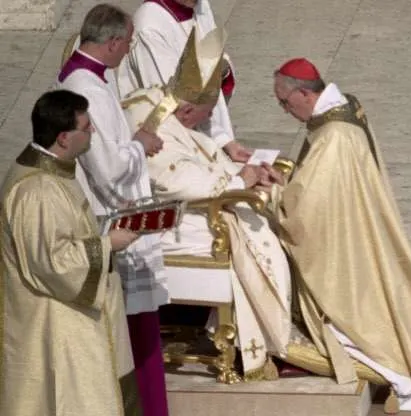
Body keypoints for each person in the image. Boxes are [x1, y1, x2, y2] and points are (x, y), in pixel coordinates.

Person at [263, 58, 411, 412]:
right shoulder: (346, 106)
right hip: (357, 218)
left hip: (347, 237)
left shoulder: (333, 137)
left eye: (284, 102)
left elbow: (305, 211)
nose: (284, 110)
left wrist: (273, 193)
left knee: (363, 314)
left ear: (303, 93)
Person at [121, 28, 291, 379]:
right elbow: (174, 179)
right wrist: (237, 181)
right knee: (249, 229)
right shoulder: (148, 119)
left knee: (256, 212)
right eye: (205, 113)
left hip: (173, 205)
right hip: (153, 218)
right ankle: (257, 341)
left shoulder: (162, 100)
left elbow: (197, 146)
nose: (206, 122)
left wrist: (242, 168)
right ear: (186, 110)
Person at [55, 4, 169, 415]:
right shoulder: (88, 91)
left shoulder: (81, 77)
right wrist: (140, 144)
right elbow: (107, 169)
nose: (129, 52)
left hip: (107, 213)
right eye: (128, 43)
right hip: (112, 220)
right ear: (114, 42)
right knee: (132, 337)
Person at [0, 90, 141, 416]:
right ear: (64, 138)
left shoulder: (56, 171)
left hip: (68, 315)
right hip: (53, 324)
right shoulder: (37, 191)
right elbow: (52, 263)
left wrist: (110, 226)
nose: (92, 131)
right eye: (86, 126)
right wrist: (109, 245)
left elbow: (65, 233)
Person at [118, 0, 250, 163]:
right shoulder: (150, 25)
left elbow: (210, 66)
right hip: (170, 146)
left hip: (204, 133)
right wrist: (219, 146)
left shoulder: (199, 5)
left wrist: (225, 142)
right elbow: (177, 104)